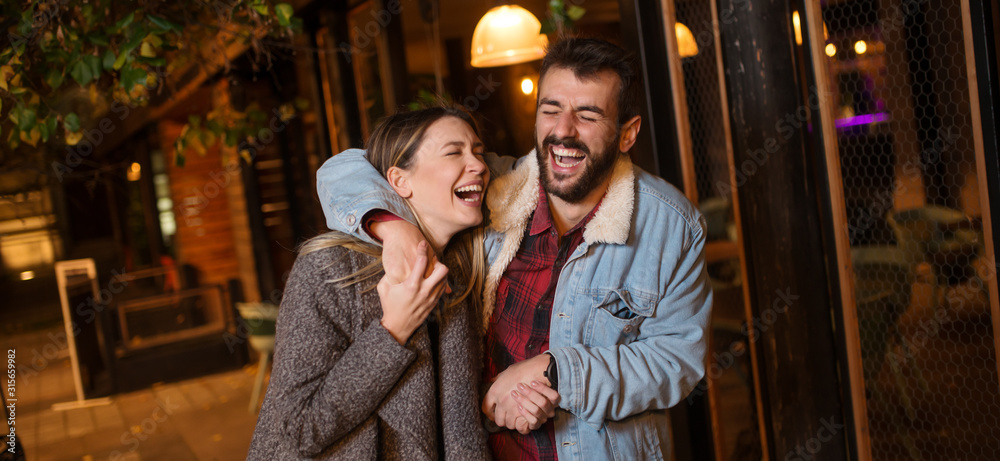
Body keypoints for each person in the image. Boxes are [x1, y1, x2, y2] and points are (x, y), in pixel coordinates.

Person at [316, 38, 713, 460]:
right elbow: (343, 169)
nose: (563, 130)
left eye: (588, 115)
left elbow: (677, 361)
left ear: (627, 134)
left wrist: (558, 371)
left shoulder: (672, 226)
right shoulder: (492, 188)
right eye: (551, 110)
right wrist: (394, 228)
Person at [246, 106, 556, 460]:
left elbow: (440, 418)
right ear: (399, 181)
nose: (479, 166)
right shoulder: (330, 267)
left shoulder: (463, 267)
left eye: (478, 151)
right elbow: (299, 431)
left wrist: (500, 403)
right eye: (454, 152)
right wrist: (392, 331)